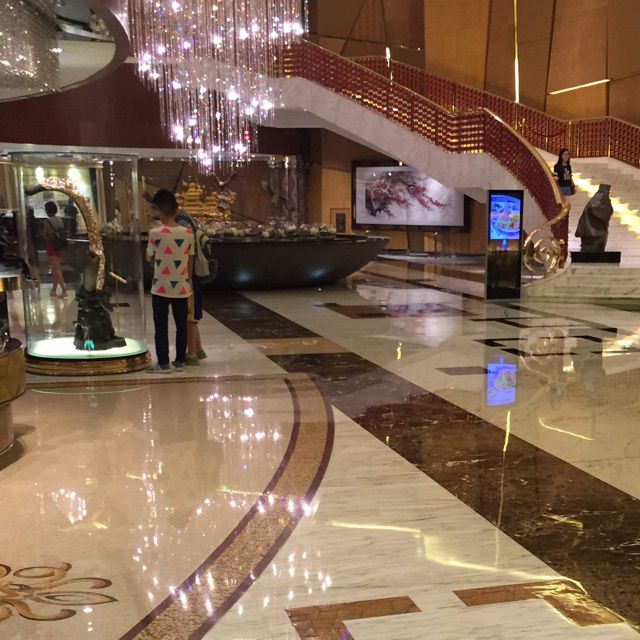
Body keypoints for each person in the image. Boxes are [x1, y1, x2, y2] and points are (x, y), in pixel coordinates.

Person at [145, 189, 194, 373]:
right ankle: (180, 361)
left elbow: (149, 256)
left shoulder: (155, 233)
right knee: (181, 326)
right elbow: (190, 259)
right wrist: (188, 281)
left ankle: (163, 363)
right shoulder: (188, 233)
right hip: (182, 286)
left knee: (161, 326)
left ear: (159, 209)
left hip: (160, 286)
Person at [175, 208, 207, 366]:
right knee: (191, 316)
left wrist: (186, 278)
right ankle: (198, 349)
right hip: (194, 277)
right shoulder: (187, 220)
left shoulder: (182, 224)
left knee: (189, 317)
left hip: (190, 278)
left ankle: (192, 354)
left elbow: (188, 255)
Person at [42, 201, 67, 298]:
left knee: (56, 269)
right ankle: (53, 290)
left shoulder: (47, 222)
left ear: (48, 210)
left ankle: (64, 290)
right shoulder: (60, 220)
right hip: (60, 246)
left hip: (52, 246)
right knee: (56, 268)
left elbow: (45, 235)